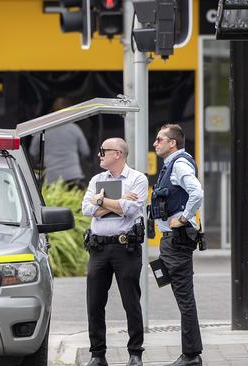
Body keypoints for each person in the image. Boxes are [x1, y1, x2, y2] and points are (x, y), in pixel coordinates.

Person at [81, 138, 149, 366]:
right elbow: (86, 208)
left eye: (103, 151)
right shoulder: (96, 179)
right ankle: (97, 355)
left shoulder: (137, 179)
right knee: (95, 303)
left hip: (125, 248)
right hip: (98, 248)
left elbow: (130, 209)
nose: (99, 154)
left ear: (117, 154)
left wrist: (101, 201)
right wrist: (115, 202)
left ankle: (135, 353)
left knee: (131, 301)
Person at [150, 124, 204, 366]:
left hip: (177, 240)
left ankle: (191, 355)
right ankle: (191, 354)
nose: (155, 143)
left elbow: (197, 192)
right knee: (183, 297)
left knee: (185, 298)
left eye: (160, 139)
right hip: (172, 241)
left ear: (172, 142)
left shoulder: (179, 164)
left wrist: (183, 217)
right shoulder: (171, 165)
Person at [29, 97, 90, 189]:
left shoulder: (43, 129)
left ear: (52, 111)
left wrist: (40, 160)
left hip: (51, 178)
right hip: (73, 177)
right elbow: (85, 152)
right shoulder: (75, 129)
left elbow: (33, 152)